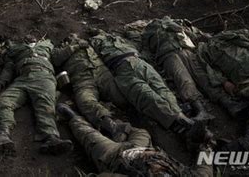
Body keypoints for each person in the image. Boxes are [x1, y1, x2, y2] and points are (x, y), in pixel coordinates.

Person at [88, 29, 212, 147]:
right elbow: (95, 62)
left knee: (164, 92)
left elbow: (137, 39)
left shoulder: (120, 38)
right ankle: (186, 123)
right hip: (121, 69)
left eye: (100, 32)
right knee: (147, 97)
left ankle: (186, 127)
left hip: (141, 63)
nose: (100, 34)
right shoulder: (93, 44)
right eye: (96, 34)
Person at [56, 103, 213, 176]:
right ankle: (116, 130)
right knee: (141, 132)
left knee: (89, 136)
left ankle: (73, 118)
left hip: (116, 157)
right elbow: (205, 170)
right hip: (145, 148)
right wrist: (205, 148)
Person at [0, 36, 72, 156]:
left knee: (45, 105)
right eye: (27, 36)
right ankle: (2, 136)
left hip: (43, 76)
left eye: (33, 35)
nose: (30, 36)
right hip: (22, 78)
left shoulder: (48, 45)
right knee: (3, 102)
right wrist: (1, 83)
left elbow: (58, 59)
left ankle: (51, 138)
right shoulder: (16, 49)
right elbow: (9, 67)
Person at [52, 34, 130, 142]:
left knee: (122, 95)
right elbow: (56, 59)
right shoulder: (59, 49)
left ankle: (145, 120)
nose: (73, 36)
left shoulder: (88, 41)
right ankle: (111, 126)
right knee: (85, 101)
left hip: (102, 73)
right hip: (82, 79)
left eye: (74, 35)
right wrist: (76, 46)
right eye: (70, 36)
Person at [139, 16, 214, 121]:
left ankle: (229, 103)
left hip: (186, 50)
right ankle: (201, 110)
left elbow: (194, 34)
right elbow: (145, 50)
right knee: (184, 80)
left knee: (203, 76)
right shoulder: (147, 33)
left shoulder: (177, 23)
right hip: (168, 55)